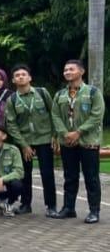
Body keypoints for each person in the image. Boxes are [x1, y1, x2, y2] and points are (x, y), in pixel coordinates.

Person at [50, 60, 104, 224]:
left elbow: (97, 116)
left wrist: (78, 132)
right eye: (65, 70)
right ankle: (68, 208)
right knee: (70, 176)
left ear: (81, 72)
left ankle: (94, 211)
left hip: (88, 141)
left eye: (71, 69)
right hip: (68, 142)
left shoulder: (93, 92)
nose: (67, 72)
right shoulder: (60, 95)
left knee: (91, 177)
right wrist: (64, 133)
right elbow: (55, 115)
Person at [4, 64, 57, 216]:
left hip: (44, 139)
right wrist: (23, 144)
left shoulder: (42, 93)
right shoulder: (12, 100)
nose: (20, 77)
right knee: (25, 174)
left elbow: (54, 113)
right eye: (17, 75)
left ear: (30, 78)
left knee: (47, 173)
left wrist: (55, 135)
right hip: (25, 140)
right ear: (13, 80)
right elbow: (11, 124)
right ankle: (26, 204)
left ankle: (51, 206)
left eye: (23, 74)